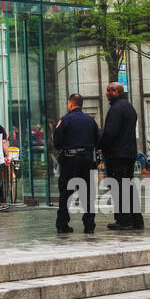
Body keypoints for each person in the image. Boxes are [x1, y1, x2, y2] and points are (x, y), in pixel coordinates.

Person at [100, 82, 142, 230]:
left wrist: (101, 145)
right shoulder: (129, 107)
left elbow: (110, 133)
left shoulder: (116, 109)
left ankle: (124, 220)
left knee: (119, 187)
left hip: (117, 154)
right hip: (129, 153)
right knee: (129, 186)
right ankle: (136, 219)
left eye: (108, 90)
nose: (106, 93)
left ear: (116, 92)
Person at [53, 93, 98, 233]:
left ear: (70, 104)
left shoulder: (65, 120)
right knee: (88, 192)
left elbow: (57, 141)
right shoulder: (90, 120)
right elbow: (97, 139)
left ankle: (63, 224)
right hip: (87, 159)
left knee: (66, 192)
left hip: (70, 160)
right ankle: (89, 225)